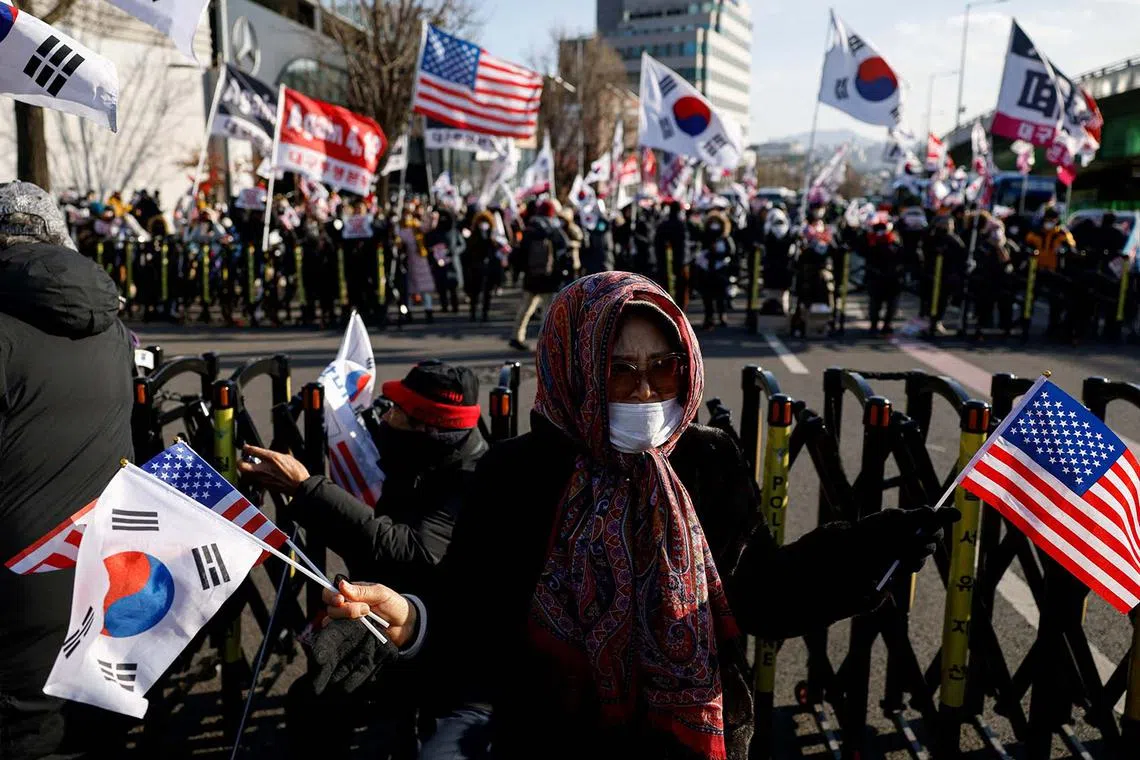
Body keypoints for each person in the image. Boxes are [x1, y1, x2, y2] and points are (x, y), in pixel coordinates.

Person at [315, 272, 957, 760]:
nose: (647, 391)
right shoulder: (518, 474)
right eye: (618, 372)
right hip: (548, 737)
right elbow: (470, 617)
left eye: (664, 368)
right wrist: (406, 618)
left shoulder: (707, 461)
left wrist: (866, 553)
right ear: (574, 370)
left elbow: (755, 595)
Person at [240, 360, 488, 759]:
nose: (385, 417)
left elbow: (408, 550)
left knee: (319, 700)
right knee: (313, 696)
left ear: (430, 428)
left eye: (397, 413)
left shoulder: (471, 478)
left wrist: (308, 488)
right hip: (393, 610)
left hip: (436, 639)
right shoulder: (426, 455)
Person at [0, 182, 136, 758]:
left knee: (24, 734)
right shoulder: (112, 327)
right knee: (95, 729)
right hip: (109, 568)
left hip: (19, 577)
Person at [509, 200, 569, 352]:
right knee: (548, 311)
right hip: (549, 277)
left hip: (531, 276)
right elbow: (564, 247)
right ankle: (545, 342)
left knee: (526, 308)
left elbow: (520, 254)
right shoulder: (554, 229)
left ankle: (517, 336)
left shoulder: (529, 229)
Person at [654, 200, 690, 308]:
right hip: (680, 263)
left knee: (667, 290)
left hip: (665, 264)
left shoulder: (662, 225)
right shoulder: (681, 225)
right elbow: (684, 245)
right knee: (681, 290)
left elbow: (657, 245)